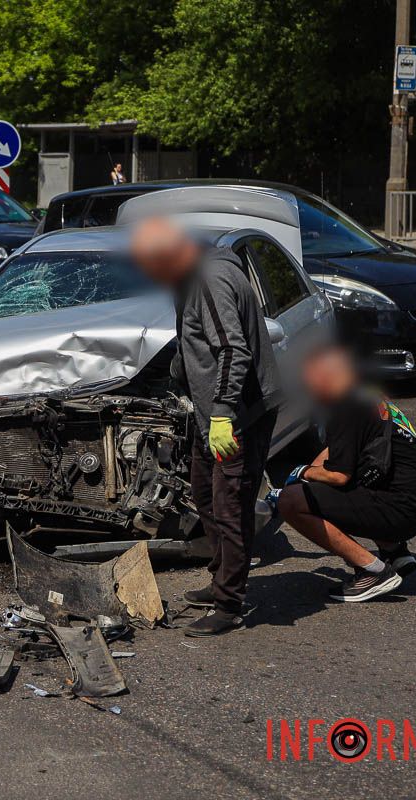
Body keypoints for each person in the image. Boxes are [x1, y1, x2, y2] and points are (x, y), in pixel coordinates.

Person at [131, 217, 281, 636]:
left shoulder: (211, 279)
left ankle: (229, 605)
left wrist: (221, 412)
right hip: (210, 413)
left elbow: (233, 350)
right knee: (204, 494)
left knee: (229, 503)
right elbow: (192, 343)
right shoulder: (189, 279)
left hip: (237, 417)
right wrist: (171, 376)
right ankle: (220, 577)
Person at [269, 346, 416, 602]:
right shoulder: (368, 396)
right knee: (318, 489)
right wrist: (305, 479)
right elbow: (334, 451)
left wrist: (300, 474)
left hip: (402, 509)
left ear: (324, 377)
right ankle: (395, 552)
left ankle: (373, 572)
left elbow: (338, 476)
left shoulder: (346, 408)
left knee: (291, 502)